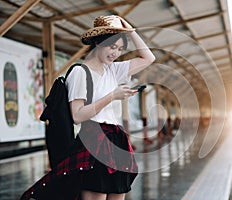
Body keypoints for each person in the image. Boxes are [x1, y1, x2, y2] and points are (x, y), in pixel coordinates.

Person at [20, 15, 155, 200]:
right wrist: (112, 96)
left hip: (117, 140)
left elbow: (149, 58)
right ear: (98, 42)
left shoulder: (113, 70)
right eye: (112, 46)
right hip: (94, 138)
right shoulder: (80, 72)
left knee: (118, 195)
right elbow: (77, 115)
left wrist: (130, 31)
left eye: (120, 49)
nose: (115, 53)